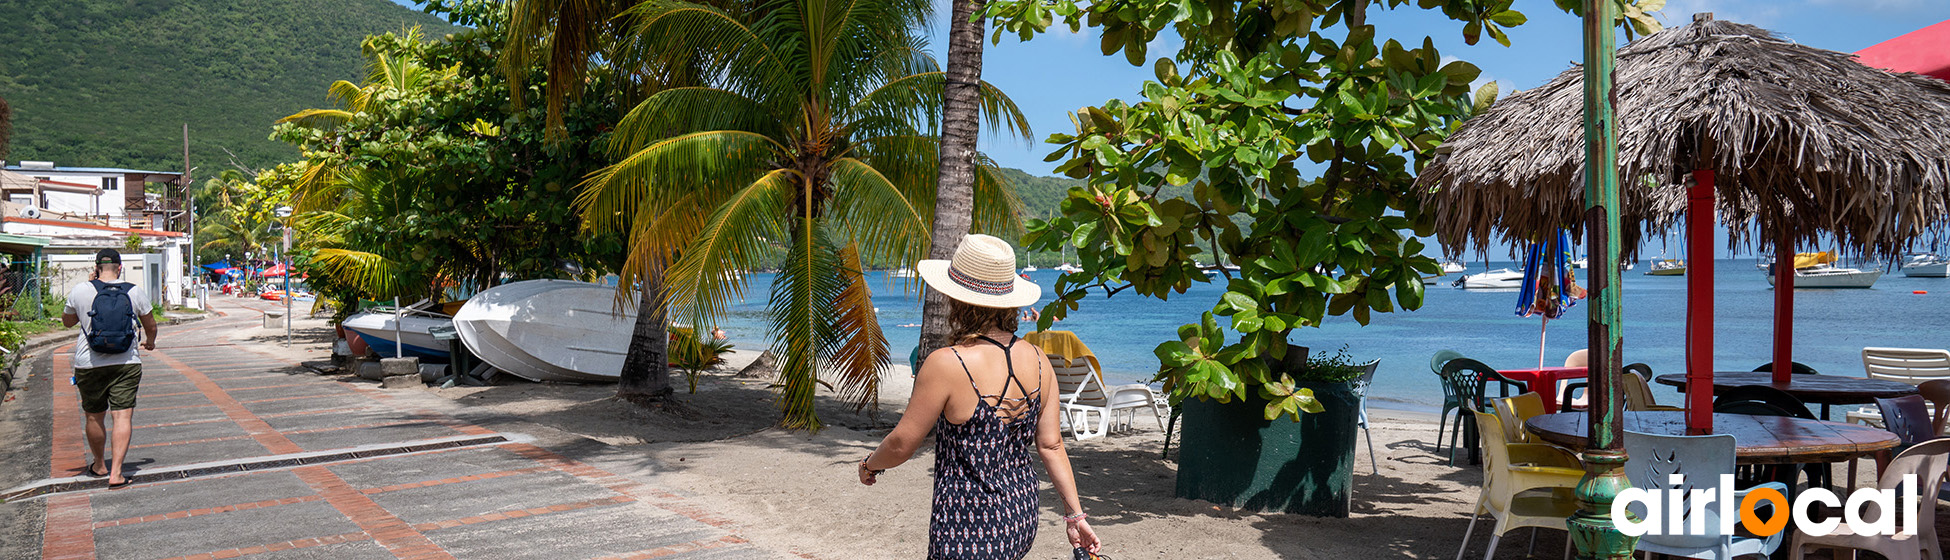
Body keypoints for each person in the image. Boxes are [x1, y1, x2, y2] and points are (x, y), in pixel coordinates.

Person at [858, 234, 1101, 559]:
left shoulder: (947, 362)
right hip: (1021, 514)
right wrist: (1075, 517)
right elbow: (1052, 445)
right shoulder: (1039, 360)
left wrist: (870, 465)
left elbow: (902, 443)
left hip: (968, 523)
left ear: (959, 300)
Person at [61, 249, 159, 488]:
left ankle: (99, 465)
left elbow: (68, 321)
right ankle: (116, 473)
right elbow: (151, 325)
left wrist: (90, 285)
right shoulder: (133, 291)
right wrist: (150, 342)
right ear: (120, 266)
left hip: (89, 363)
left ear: (96, 267)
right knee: (122, 416)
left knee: (94, 416)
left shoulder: (81, 290)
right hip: (126, 363)